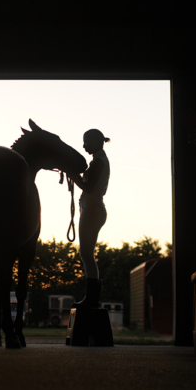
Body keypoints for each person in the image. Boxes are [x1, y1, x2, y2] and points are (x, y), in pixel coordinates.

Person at [67, 129, 110, 309]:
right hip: (92, 209)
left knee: (86, 254)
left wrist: (72, 175)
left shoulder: (99, 162)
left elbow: (89, 187)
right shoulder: (99, 161)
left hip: (92, 209)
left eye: (86, 142)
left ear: (95, 141)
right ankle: (92, 299)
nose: (84, 146)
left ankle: (92, 300)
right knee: (86, 254)